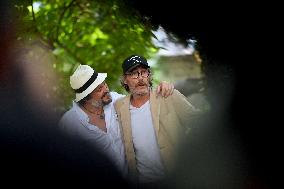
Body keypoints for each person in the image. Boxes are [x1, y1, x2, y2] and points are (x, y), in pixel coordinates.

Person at [58, 64, 174, 177]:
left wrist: (162, 87)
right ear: (86, 98)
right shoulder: (69, 123)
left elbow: (141, 99)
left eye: (104, 84)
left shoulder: (116, 101)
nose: (106, 89)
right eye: (99, 89)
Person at [115, 55, 200, 186]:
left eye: (143, 72)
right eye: (133, 74)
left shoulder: (168, 96)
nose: (140, 78)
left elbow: (198, 122)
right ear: (125, 80)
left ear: (149, 75)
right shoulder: (119, 107)